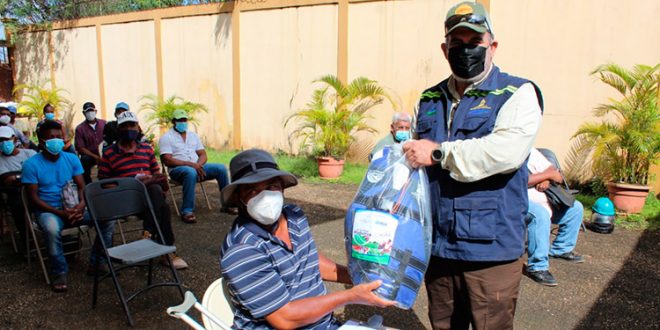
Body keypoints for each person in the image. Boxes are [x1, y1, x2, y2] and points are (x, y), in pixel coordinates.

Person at [402, 2, 543, 329]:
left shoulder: (517, 93)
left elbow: (506, 152)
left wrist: (438, 154)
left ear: (492, 46)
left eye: (474, 43)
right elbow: (411, 157)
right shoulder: (428, 99)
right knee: (443, 324)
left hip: (490, 252)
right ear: (445, 48)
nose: (465, 50)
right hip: (437, 246)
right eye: (457, 43)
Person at [219, 149, 394, 329]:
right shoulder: (241, 250)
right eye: (253, 191)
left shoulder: (294, 216)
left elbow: (308, 260)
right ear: (240, 198)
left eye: (272, 186)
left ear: (282, 188)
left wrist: (357, 277)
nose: (265, 197)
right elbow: (285, 318)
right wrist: (352, 296)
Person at [21, 120, 115, 292]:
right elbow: (33, 198)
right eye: (52, 138)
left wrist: (81, 206)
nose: (57, 141)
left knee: (108, 218)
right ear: (41, 141)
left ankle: (97, 262)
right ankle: (60, 272)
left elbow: (82, 187)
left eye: (59, 137)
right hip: (49, 210)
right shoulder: (31, 164)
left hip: (74, 206)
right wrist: (60, 212)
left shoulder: (71, 159)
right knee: (50, 228)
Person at [98, 111, 188, 269]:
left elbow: (156, 173)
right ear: (119, 129)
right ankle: (167, 252)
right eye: (124, 126)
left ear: (138, 127)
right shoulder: (110, 153)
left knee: (156, 192)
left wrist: (156, 179)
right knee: (161, 204)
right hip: (124, 200)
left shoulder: (146, 149)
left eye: (132, 125)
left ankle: (149, 231)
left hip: (147, 200)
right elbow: (104, 183)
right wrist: (131, 183)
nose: (128, 129)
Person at [159, 109, 231, 223]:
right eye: (179, 120)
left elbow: (203, 154)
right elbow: (167, 160)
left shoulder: (193, 136)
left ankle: (228, 204)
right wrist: (191, 165)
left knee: (221, 168)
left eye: (184, 120)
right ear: (174, 121)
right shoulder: (166, 137)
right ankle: (187, 211)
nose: (182, 122)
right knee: (190, 172)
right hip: (177, 169)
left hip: (197, 167)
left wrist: (198, 165)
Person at [525, 148, 584, 286]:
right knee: (540, 215)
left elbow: (558, 176)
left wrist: (548, 176)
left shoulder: (532, 152)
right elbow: (519, 182)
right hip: (519, 202)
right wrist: (546, 176)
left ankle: (561, 249)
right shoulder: (509, 151)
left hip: (548, 199)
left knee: (576, 208)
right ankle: (537, 266)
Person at [0, 126, 37, 247]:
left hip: (39, 191)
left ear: (14, 139)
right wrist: (29, 175)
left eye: (6, 139)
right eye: (0, 140)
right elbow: (7, 179)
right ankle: (28, 243)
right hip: (18, 196)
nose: (4, 143)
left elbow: (42, 172)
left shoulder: (30, 153)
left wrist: (18, 177)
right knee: (17, 204)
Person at [74, 102, 106, 185]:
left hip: (104, 153)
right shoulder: (80, 128)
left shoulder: (104, 123)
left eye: (92, 110)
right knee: (84, 159)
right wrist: (95, 156)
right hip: (91, 155)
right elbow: (80, 147)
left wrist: (102, 155)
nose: (90, 113)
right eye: (87, 111)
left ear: (96, 111)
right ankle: (88, 184)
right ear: (84, 113)